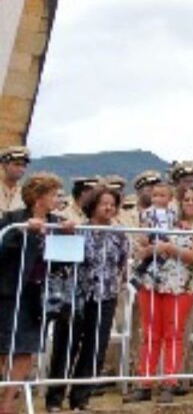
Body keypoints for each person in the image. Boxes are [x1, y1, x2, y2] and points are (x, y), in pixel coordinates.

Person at [45, 187, 131, 412]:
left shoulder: (119, 234)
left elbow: (123, 263)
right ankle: (54, 398)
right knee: (67, 345)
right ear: (93, 205)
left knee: (95, 348)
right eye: (104, 203)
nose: (108, 207)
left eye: (112, 204)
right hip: (77, 295)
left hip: (106, 295)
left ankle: (80, 399)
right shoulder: (78, 229)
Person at [129, 184, 193, 403]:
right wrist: (147, 245)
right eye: (187, 199)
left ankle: (170, 382)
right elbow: (144, 242)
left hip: (181, 285)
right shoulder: (165, 219)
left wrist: (166, 248)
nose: (190, 203)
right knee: (150, 333)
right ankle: (144, 382)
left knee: (173, 334)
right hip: (153, 281)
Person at [0, 172, 73, 414]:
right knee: (4, 345)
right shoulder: (12, 219)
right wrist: (26, 233)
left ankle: (9, 402)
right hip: (11, 293)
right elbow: (4, 252)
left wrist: (69, 236)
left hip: (39, 295)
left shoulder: (58, 222)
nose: (57, 199)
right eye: (53, 194)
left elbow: (66, 263)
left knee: (26, 348)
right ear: (39, 197)